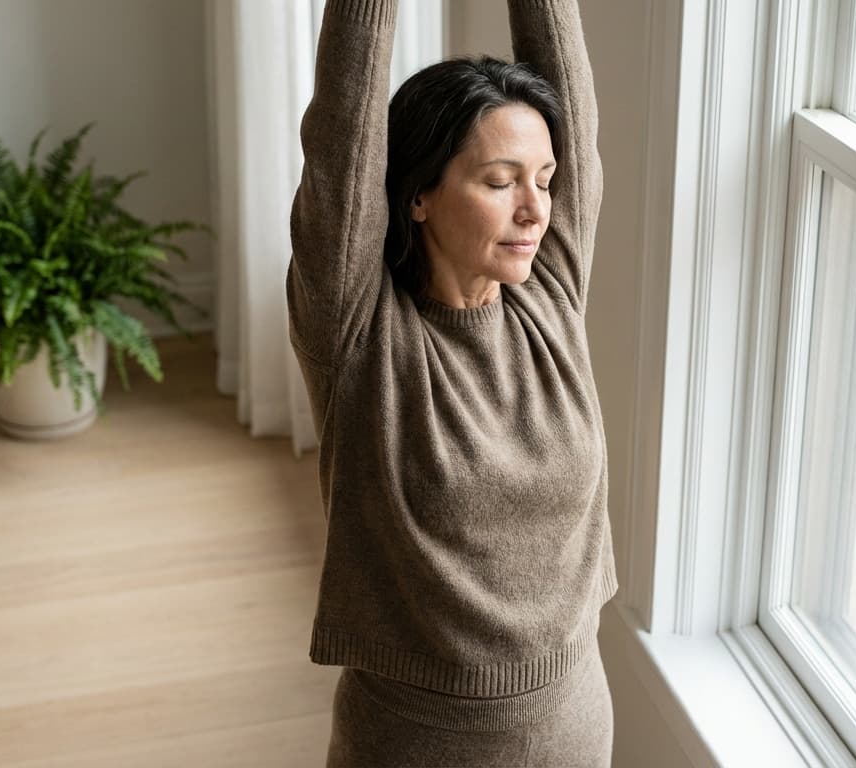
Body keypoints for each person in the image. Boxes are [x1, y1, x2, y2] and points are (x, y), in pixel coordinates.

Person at [288, 0, 615, 764]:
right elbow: (341, 143)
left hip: (576, 723)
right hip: (416, 741)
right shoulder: (359, 335)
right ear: (419, 194)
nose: (535, 210)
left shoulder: (550, 293)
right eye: (500, 181)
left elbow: (572, 99)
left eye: (545, 180)